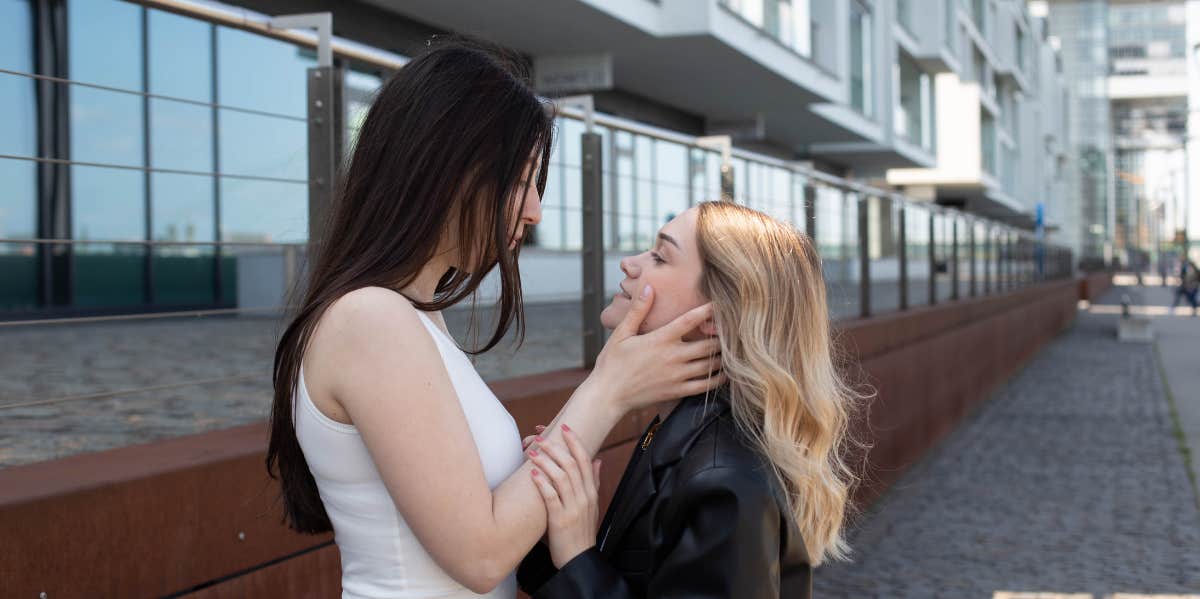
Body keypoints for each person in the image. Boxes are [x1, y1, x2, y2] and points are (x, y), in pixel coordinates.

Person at [265, 39, 725, 599]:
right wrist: (611, 388)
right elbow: (481, 555)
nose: (535, 210)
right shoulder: (370, 319)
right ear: (446, 167)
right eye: (521, 180)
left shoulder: (409, 317)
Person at [517, 202, 861, 598]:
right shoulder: (682, 431)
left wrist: (577, 553)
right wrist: (543, 539)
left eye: (660, 257)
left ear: (714, 317)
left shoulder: (723, 481)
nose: (629, 263)